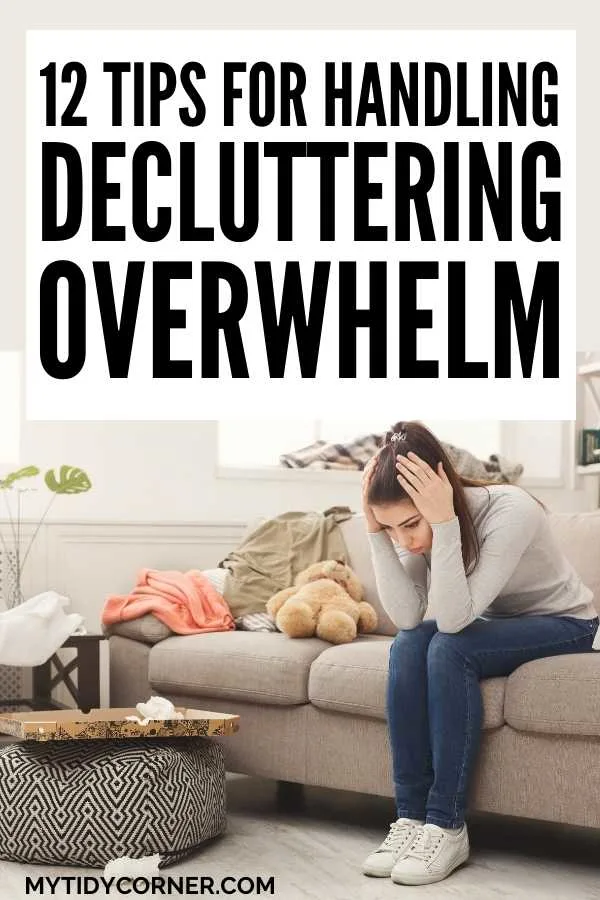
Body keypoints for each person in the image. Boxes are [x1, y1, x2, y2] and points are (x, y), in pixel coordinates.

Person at [360, 421, 599, 886]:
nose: (406, 540)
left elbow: (451, 623)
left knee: (449, 650)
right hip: (493, 624)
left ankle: (446, 824)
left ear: (440, 491)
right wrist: (375, 533)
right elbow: (409, 617)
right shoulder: (414, 530)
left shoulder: (511, 509)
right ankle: (410, 818)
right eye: (391, 529)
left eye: (411, 524)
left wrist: (444, 523)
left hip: (566, 623)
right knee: (409, 644)